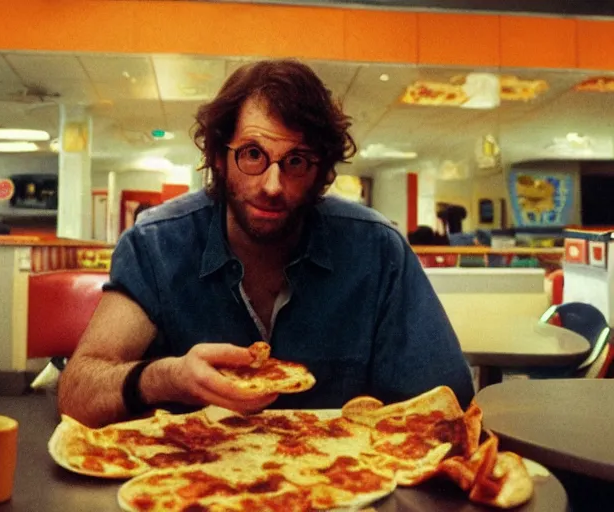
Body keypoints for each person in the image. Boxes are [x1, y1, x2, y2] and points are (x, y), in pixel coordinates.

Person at [59, 60, 474, 427]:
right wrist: (165, 378)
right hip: (190, 487)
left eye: (296, 161)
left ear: (321, 171)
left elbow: (446, 406)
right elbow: (77, 394)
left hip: (344, 485)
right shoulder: (157, 245)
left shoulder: (376, 250)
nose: (272, 186)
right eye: (253, 154)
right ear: (219, 158)